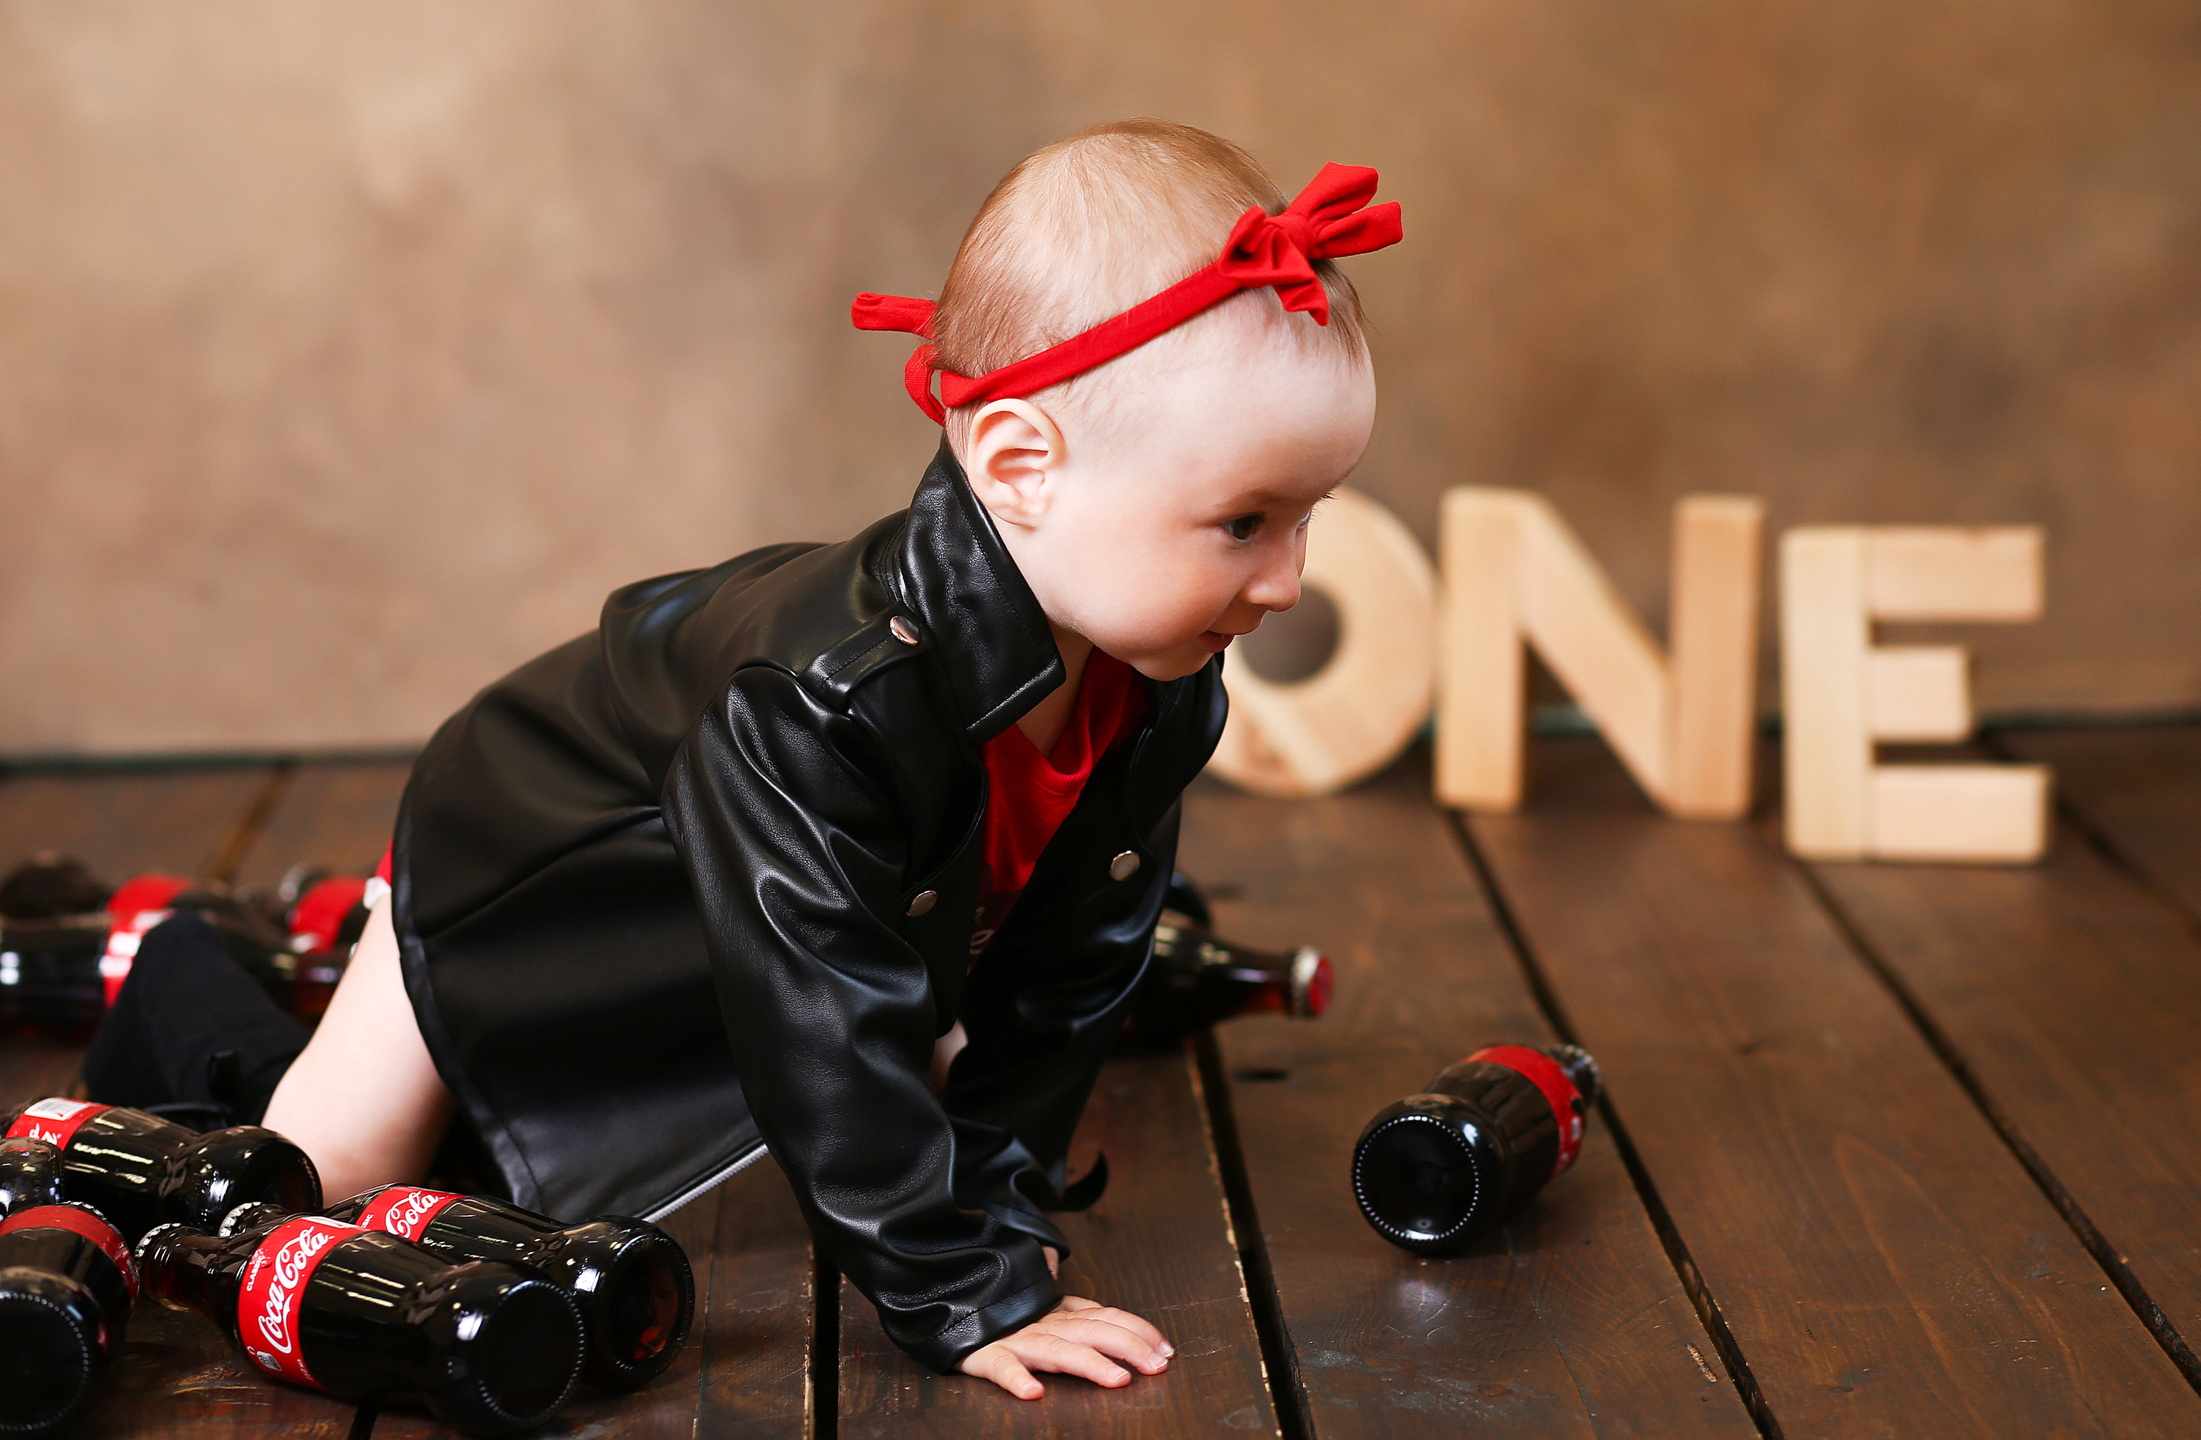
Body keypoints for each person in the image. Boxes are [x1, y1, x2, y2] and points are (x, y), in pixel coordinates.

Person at [117, 119, 1397, 1399]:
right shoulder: (823, 699)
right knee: (304, 1190)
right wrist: (959, 1294)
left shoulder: (1160, 678)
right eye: (1242, 522)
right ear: (1019, 467)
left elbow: (1069, 975)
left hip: (786, 910)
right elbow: (820, 1016)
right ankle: (197, 981)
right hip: (549, 872)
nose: (1285, 581)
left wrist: (1005, 1229)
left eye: (1306, 517)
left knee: (923, 1067)